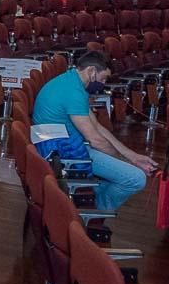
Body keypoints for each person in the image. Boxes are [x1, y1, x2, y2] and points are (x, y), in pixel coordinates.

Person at [32, 51, 153, 211]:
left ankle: (86, 205)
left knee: (120, 176)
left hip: (66, 143)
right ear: (91, 71)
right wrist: (127, 162)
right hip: (62, 151)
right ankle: (95, 211)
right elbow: (95, 140)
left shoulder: (72, 82)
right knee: (136, 178)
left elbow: (97, 127)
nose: (103, 83)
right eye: (103, 78)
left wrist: (133, 156)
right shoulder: (73, 91)